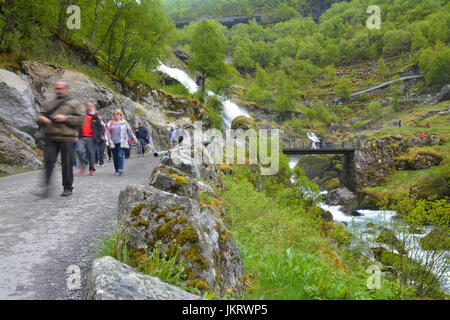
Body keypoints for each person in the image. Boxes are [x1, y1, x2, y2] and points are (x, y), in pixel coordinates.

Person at [36, 80, 84, 197]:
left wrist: (65, 118)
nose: (59, 90)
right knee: (48, 161)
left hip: (67, 138)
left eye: (61, 88)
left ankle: (67, 187)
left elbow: (81, 120)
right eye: (57, 88)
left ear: (67, 89)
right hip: (50, 138)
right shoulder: (48, 103)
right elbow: (38, 116)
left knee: (67, 163)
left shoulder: (75, 104)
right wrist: (42, 119)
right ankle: (46, 187)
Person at [106, 109, 137, 176]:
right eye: (115, 114)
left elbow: (130, 131)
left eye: (118, 114)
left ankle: (120, 169)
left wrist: (134, 139)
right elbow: (107, 133)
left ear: (120, 115)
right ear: (113, 115)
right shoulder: (110, 123)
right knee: (115, 157)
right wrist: (107, 140)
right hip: (113, 142)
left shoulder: (124, 123)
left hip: (121, 142)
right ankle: (116, 170)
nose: (117, 115)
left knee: (120, 155)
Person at [76, 101, 103, 176]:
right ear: (85, 106)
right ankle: (83, 165)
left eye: (91, 106)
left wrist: (99, 137)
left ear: (92, 107)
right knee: (79, 150)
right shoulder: (82, 115)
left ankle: (91, 169)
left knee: (91, 154)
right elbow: (77, 125)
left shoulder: (94, 116)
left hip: (92, 138)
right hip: (82, 137)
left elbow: (100, 127)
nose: (89, 107)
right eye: (88, 106)